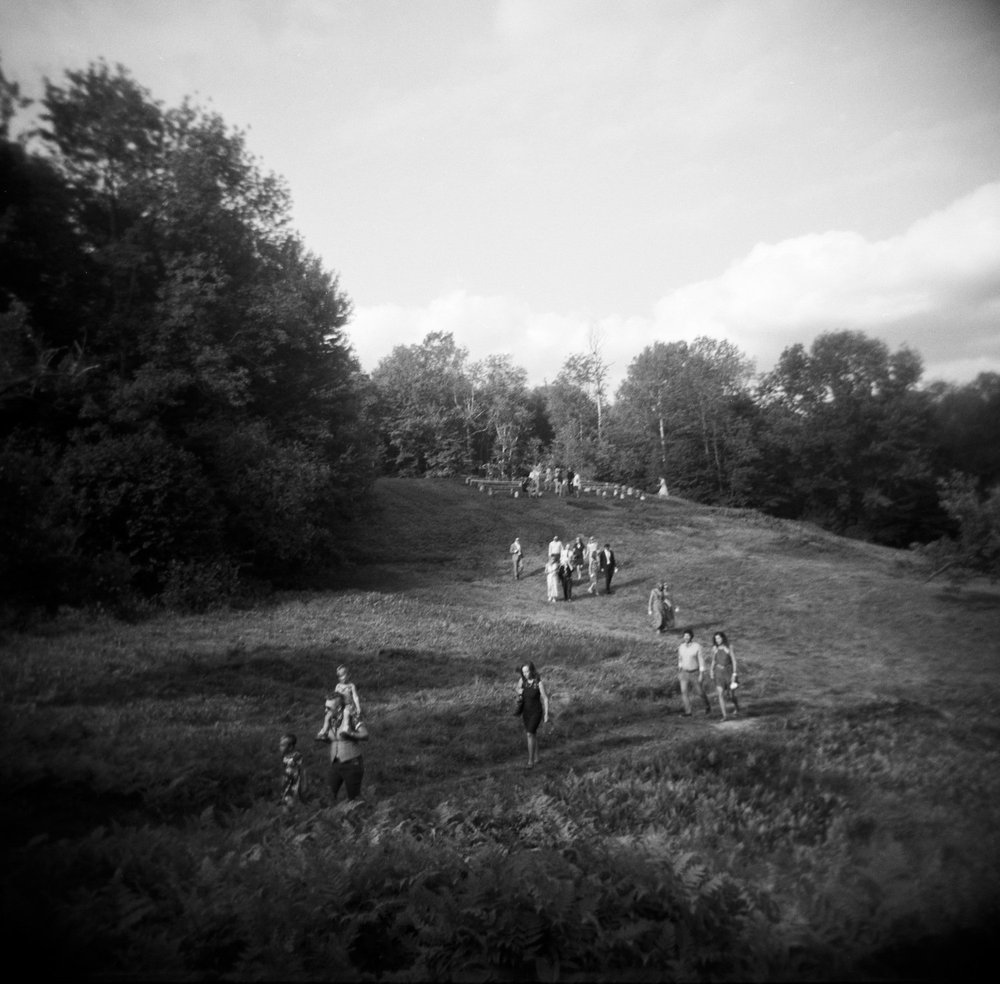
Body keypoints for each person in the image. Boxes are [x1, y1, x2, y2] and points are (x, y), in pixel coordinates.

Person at [318, 692, 369, 802]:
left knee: (354, 798)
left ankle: (363, 816)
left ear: (339, 707)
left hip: (352, 763)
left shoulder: (352, 718)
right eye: (325, 707)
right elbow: (334, 740)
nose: (325, 710)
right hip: (335, 763)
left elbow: (365, 735)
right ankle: (331, 817)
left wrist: (350, 734)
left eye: (328, 708)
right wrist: (325, 739)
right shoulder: (329, 720)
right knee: (328, 796)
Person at [515, 662, 549, 768]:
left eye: (527, 671)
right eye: (523, 672)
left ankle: (530, 761)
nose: (525, 674)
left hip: (536, 712)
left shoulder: (538, 683)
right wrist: (519, 692)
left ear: (532, 670)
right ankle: (537, 757)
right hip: (526, 712)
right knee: (533, 734)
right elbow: (517, 688)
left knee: (529, 734)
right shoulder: (522, 681)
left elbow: (545, 698)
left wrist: (546, 714)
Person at [677, 628, 712, 717]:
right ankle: (688, 712)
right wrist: (679, 668)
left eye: (688, 636)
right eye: (685, 636)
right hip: (684, 672)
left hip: (694, 672)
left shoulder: (697, 646)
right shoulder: (681, 647)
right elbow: (680, 658)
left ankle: (707, 706)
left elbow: (701, 660)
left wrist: (701, 673)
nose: (686, 637)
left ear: (691, 637)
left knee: (699, 691)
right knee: (684, 692)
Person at [710, 631, 741, 720]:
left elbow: (734, 661)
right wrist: (711, 670)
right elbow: (713, 661)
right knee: (720, 693)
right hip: (718, 672)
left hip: (729, 671)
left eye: (719, 638)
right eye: (716, 639)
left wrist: (734, 674)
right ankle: (725, 715)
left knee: (732, 695)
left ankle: (737, 707)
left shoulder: (729, 647)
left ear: (723, 638)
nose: (717, 640)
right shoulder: (714, 648)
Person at [278, 733, 307, 808]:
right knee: (285, 802)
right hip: (286, 783)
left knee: (291, 803)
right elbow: (284, 771)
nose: (280, 748)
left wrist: (304, 784)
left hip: (295, 784)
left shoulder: (297, 756)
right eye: (280, 745)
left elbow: (302, 770)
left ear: (290, 747)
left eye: (283, 745)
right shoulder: (284, 757)